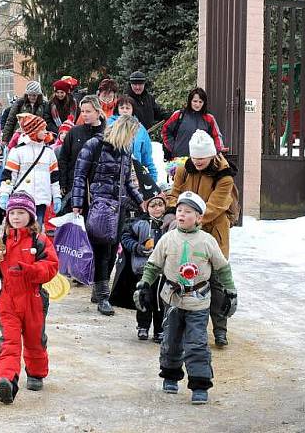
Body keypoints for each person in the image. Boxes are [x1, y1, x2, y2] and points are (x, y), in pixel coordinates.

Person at [135, 191, 237, 405]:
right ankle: (170, 376)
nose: (181, 215)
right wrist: (144, 285)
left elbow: (222, 268)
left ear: (199, 217)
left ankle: (200, 384)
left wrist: (230, 291)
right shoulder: (168, 239)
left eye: (188, 212)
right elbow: (153, 265)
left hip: (198, 301)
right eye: (179, 210)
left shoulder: (207, 241)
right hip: (172, 300)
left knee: (196, 343)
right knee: (170, 340)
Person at [0, 191, 59, 404]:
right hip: (8, 301)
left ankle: (36, 373)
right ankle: (6, 380)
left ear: (31, 215)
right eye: (12, 213)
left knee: (35, 341)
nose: (16, 217)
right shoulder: (0, 242)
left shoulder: (39, 241)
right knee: (9, 343)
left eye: (21, 212)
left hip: (34, 300)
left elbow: (51, 267)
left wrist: (30, 270)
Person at [166, 129, 238, 347]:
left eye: (202, 158)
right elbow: (175, 192)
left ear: (211, 155)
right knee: (183, 276)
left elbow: (216, 205)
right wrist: (171, 213)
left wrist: (192, 221)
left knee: (215, 279)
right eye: (194, 158)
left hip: (214, 230)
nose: (197, 162)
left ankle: (220, 328)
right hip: (186, 229)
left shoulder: (223, 175)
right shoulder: (182, 169)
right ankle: (184, 326)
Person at [71, 115, 145, 316]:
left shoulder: (125, 150)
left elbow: (128, 182)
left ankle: (99, 291)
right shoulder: (94, 145)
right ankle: (103, 296)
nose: (133, 139)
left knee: (113, 250)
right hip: (98, 206)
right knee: (102, 251)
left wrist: (141, 201)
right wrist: (77, 204)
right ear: (125, 132)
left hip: (118, 207)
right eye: (132, 135)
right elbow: (79, 176)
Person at [111, 192, 168, 341]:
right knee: (144, 297)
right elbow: (125, 237)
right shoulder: (139, 223)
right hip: (142, 267)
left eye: (160, 205)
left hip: (162, 270)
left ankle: (159, 330)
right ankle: (143, 326)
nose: (157, 209)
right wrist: (137, 247)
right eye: (153, 205)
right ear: (146, 207)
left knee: (160, 300)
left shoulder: (168, 225)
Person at [0, 113, 61, 230]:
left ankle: (35, 248)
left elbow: (54, 177)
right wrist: (4, 194)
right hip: (22, 199)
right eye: (42, 129)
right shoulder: (17, 151)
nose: (46, 132)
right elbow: (8, 176)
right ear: (33, 131)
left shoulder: (49, 152)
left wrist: (57, 196)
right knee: (21, 229)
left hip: (41, 199)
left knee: (37, 230)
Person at [57, 95, 105, 199]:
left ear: (98, 112)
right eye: (82, 111)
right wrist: (63, 183)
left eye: (88, 111)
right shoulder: (74, 132)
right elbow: (63, 158)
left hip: (100, 187)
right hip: (74, 185)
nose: (84, 115)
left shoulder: (108, 133)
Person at [107, 96, 158, 190]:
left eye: (128, 108)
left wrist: (153, 179)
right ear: (117, 109)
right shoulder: (108, 125)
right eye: (122, 108)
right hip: (113, 173)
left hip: (134, 174)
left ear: (133, 110)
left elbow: (147, 156)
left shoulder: (140, 129)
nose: (124, 111)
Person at [161, 87, 224, 159]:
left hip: (202, 161)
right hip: (180, 159)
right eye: (195, 101)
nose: (197, 104)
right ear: (190, 101)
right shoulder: (179, 115)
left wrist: (215, 151)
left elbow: (217, 136)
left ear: (204, 103)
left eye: (200, 102)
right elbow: (165, 131)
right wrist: (173, 147)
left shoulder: (209, 118)